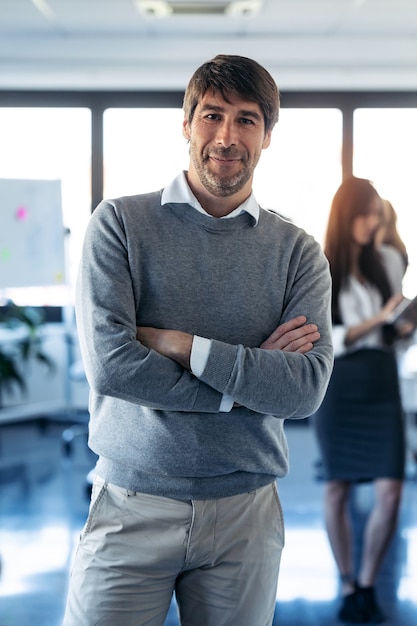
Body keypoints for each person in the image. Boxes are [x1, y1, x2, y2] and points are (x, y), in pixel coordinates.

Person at [63, 54, 333, 626]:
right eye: (211, 115)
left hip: (247, 516)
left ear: (267, 136)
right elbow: (113, 368)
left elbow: (304, 391)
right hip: (131, 507)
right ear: (186, 124)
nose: (226, 136)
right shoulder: (119, 224)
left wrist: (180, 344)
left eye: (246, 120)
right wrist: (249, 384)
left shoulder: (298, 252)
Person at [314, 176, 410, 624]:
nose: (373, 223)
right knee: (338, 487)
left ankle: (368, 582)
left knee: (390, 489)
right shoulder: (318, 265)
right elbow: (330, 338)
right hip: (338, 384)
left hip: (380, 378)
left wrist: (402, 326)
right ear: (345, 216)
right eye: (365, 214)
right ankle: (348, 581)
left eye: (377, 213)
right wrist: (382, 317)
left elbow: (391, 332)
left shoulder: (388, 260)